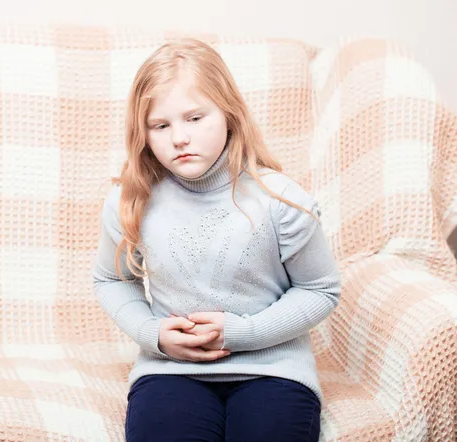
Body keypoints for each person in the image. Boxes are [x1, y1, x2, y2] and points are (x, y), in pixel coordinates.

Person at [92, 38, 341, 442]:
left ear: (229, 114)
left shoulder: (281, 199)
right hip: (171, 371)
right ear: (143, 132)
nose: (179, 138)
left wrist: (242, 332)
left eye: (195, 118)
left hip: (273, 370)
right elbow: (112, 280)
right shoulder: (130, 201)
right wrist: (152, 334)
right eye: (161, 125)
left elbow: (320, 289)